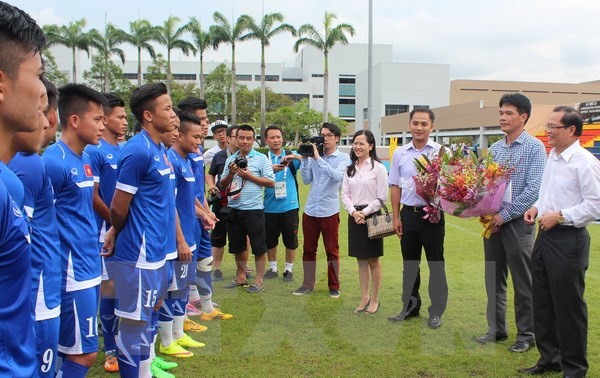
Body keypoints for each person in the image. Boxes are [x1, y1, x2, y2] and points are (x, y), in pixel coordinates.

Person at [519, 106, 600, 377]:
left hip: (569, 240)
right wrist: (537, 208)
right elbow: (548, 195)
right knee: (542, 301)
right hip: (545, 236)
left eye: (553, 126)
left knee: (568, 305)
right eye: (548, 125)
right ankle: (549, 359)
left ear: (572, 131)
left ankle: (574, 368)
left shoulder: (585, 162)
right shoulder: (552, 157)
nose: (547, 131)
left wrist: (562, 216)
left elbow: (595, 205)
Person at [103, 82, 176, 378]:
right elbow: (119, 206)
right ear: (148, 115)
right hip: (138, 256)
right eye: (168, 109)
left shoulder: (159, 148)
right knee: (133, 325)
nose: (173, 115)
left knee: (148, 320)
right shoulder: (137, 151)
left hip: (158, 253)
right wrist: (114, 231)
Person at [42, 83, 107, 376]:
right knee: (84, 355)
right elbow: (41, 222)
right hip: (70, 274)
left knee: (70, 350)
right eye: (97, 119)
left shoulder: (85, 160)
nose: (102, 126)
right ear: (75, 120)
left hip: (89, 265)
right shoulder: (53, 162)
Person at [476, 93, 546, 353]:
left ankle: (527, 335)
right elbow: (485, 185)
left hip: (518, 223)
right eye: (501, 113)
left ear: (523, 117)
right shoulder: (494, 148)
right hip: (492, 224)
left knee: (523, 281)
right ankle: (496, 329)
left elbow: (533, 190)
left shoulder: (534, 148)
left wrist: (502, 217)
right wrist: (481, 209)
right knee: (494, 279)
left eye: (509, 113)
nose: (503, 118)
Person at [388, 108, 447, 329]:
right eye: (415, 123)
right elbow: (394, 185)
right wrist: (396, 217)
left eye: (424, 124)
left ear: (432, 126)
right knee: (410, 264)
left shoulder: (441, 152)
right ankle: (410, 308)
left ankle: (436, 312)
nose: (419, 127)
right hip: (408, 216)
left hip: (433, 216)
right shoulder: (400, 153)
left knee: (436, 264)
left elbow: (450, 184)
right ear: (409, 125)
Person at [84, 92, 127, 373]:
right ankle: (110, 346)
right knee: (109, 293)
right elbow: (94, 196)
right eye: (120, 117)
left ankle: (125, 342)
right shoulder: (95, 151)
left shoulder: (124, 150)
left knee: (127, 291)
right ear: (106, 118)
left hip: (124, 230)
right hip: (105, 233)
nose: (124, 122)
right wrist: (113, 223)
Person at [158, 110, 206, 360]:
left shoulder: (186, 160)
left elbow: (191, 199)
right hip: (177, 239)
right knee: (172, 288)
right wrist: (180, 240)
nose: (199, 142)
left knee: (184, 286)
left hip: (190, 233)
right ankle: (166, 340)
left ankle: (178, 332)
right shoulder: (171, 162)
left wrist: (204, 214)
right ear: (179, 136)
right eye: (195, 137)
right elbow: (170, 205)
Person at [293, 122, 351, 298]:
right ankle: (307, 284)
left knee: (331, 250)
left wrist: (317, 158)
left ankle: (334, 285)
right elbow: (306, 180)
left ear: (337, 138)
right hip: (311, 209)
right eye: (322, 135)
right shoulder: (314, 156)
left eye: (328, 135)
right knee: (308, 249)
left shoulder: (343, 158)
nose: (324, 139)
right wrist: (305, 160)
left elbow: (337, 177)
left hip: (329, 210)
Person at [219, 124, 275, 293]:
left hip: (254, 209)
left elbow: (271, 182)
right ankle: (241, 276)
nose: (245, 141)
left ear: (253, 140)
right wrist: (231, 173)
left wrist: (249, 176)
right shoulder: (230, 160)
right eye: (241, 138)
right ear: (235, 139)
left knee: (259, 246)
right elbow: (222, 185)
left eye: (248, 138)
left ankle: (258, 280)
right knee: (237, 246)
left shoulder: (261, 159)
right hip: (234, 208)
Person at [341, 130, 388, 315]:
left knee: (373, 260)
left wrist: (364, 212)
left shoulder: (379, 168)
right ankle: (364, 297)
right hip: (354, 217)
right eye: (355, 143)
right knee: (361, 260)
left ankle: (375, 299)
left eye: (362, 143)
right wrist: (353, 212)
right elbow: (344, 194)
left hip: (372, 216)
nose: (358, 146)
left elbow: (382, 196)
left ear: (371, 145)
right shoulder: (349, 169)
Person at [263, 125, 301, 282]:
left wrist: (296, 157)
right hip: (268, 207)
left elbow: (309, 158)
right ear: (266, 141)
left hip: (289, 206)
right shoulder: (263, 160)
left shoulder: (291, 157)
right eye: (272, 137)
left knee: (290, 241)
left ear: (283, 138)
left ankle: (288, 269)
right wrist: (270, 169)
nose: (276, 140)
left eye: (278, 137)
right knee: (270, 240)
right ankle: (272, 268)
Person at [207, 125, 239, 281]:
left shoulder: (250, 156)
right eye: (236, 136)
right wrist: (212, 186)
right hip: (221, 201)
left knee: (240, 236)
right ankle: (217, 269)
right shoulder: (219, 156)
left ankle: (242, 268)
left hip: (241, 202)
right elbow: (210, 174)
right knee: (218, 236)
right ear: (229, 138)